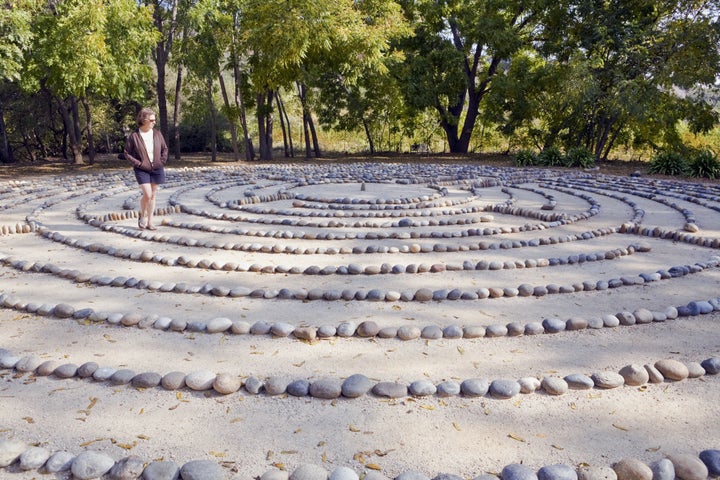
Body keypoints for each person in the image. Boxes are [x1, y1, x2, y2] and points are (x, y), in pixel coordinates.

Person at [123, 107, 168, 230]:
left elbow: (165, 149)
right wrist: (139, 164)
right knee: (147, 194)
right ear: (144, 120)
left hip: (157, 167)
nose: (154, 122)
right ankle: (142, 215)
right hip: (142, 169)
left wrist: (161, 161)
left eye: (155, 120)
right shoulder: (134, 136)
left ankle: (150, 222)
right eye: (152, 120)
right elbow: (127, 153)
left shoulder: (157, 134)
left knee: (153, 195)